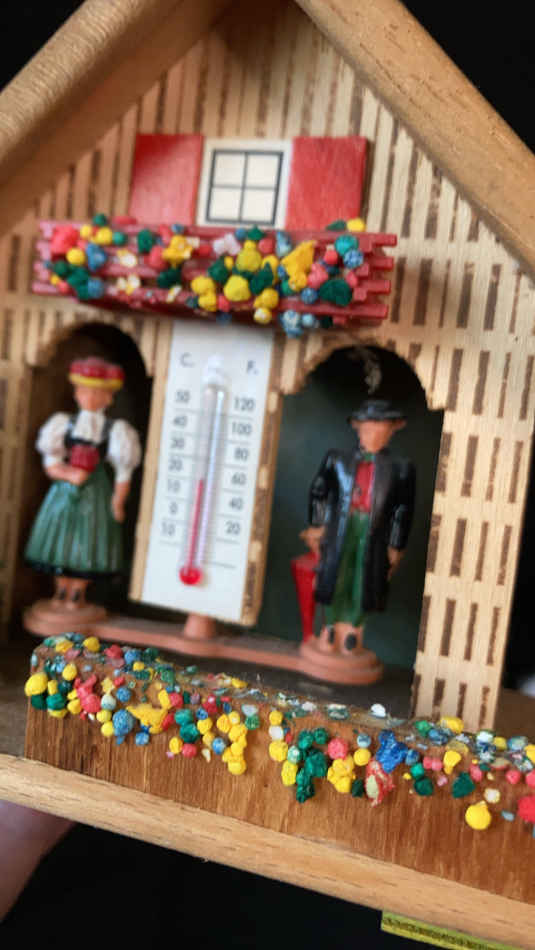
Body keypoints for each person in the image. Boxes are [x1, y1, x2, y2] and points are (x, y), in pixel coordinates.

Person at [300, 399, 415, 659]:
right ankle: (331, 626)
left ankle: (354, 629)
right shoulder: (336, 459)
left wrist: (396, 544)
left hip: (374, 532)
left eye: (380, 430)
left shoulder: (401, 469)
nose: (373, 435)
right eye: (368, 429)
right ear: (358, 428)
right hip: (341, 527)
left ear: (392, 430)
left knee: (364, 579)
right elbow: (319, 491)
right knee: (335, 573)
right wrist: (317, 525)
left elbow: (403, 510)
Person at [25, 356, 142, 611]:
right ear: (76, 393)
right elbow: (51, 461)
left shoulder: (116, 430)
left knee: (88, 541)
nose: (89, 397)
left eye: (96, 392)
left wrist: (118, 502)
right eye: (84, 391)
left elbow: (124, 471)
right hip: (65, 493)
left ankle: (78, 592)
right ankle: (60, 589)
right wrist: (68, 474)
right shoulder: (62, 424)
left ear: (108, 397)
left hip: (96, 494)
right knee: (60, 539)